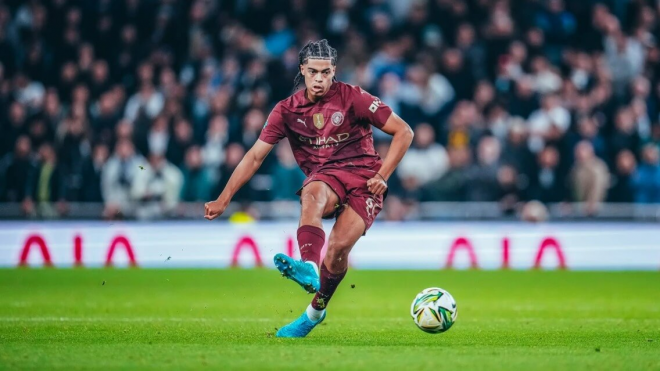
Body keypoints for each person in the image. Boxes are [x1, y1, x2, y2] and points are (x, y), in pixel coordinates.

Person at [204, 40, 413, 337]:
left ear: (334, 72)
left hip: (365, 180)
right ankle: (308, 269)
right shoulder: (286, 111)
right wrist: (224, 199)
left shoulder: (354, 97)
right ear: (302, 70)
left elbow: (404, 131)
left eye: (326, 72)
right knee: (312, 193)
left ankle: (314, 313)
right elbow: (254, 156)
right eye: (313, 72)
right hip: (325, 176)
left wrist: (383, 174)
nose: (319, 79)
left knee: (338, 251)